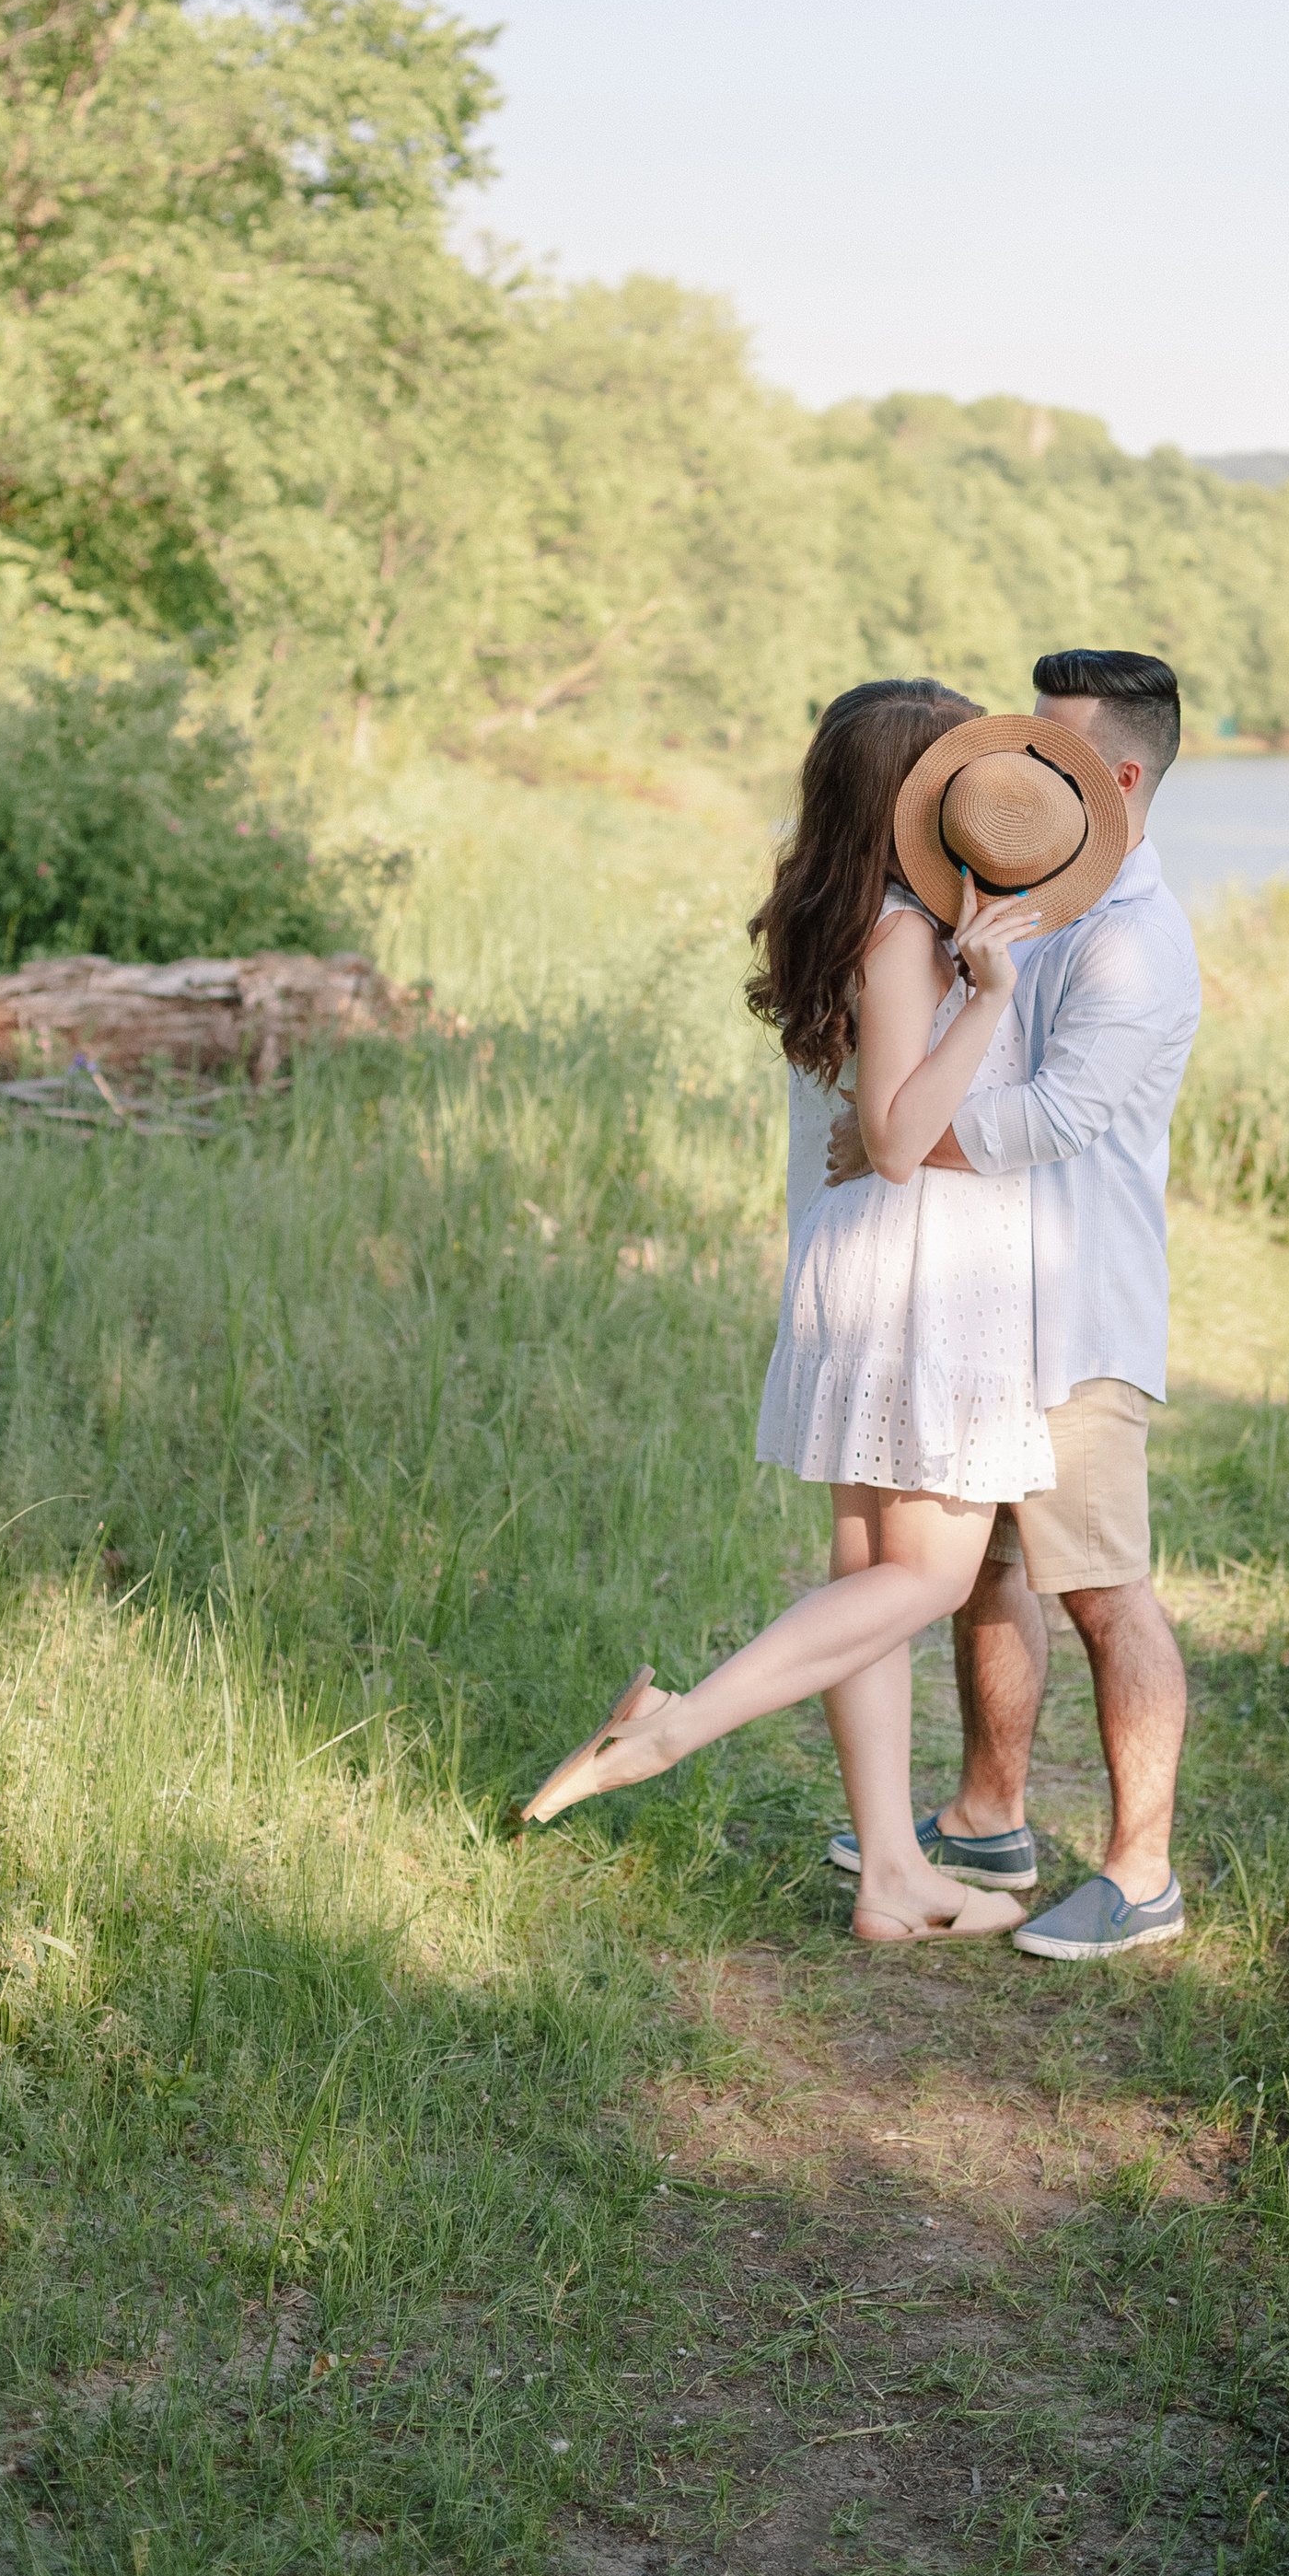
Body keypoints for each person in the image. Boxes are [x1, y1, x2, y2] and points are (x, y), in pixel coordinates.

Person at [518, 677, 1132, 1948]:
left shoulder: (836, 915)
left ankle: (894, 1873)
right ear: (913, 799)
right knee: (932, 1575)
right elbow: (904, 1137)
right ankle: (670, 1728)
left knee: (867, 1574)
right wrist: (998, 1002)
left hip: (861, 1272)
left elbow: (872, 1118)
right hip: (926, 1277)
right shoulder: (904, 937)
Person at [822, 650, 1202, 1960]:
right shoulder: (1026, 887)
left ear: (1126, 776)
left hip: (1080, 1312)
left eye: (1055, 753)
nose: (1020, 772)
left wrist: (895, 1132)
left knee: (1103, 1591)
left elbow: (1049, 1122)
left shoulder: (1138, 945)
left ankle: (1141, 1877)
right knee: (981, 1572)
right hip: (985, 1301)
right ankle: (988, 1819)